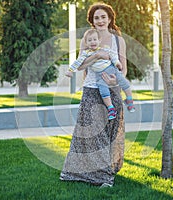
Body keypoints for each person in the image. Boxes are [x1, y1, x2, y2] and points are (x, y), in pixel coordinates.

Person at [60, 2, 127, 187]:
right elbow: (80, 65)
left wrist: (116, 81)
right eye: (96, 17)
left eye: (103, 17)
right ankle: (100, 177)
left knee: (109, 132)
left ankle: (106, 169)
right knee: (91, 132)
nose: (100, 20)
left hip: (112, 91)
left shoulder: (118, 40)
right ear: (92, 20)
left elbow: (124, 68)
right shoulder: (87, 39)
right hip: (91, 90)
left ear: (110, 18)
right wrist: (97, 56)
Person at [65, 28, 135, 120]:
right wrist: (70, 70)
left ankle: (129, 99)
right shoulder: (86, 54)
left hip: (111, 69)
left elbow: (113, 55)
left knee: (124, 81)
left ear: (99, 40)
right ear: (86, 43)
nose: (92, 42)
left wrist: (117, 63)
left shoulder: (104, 49)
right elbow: (78, 63)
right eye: (89, 40)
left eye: (95, 39)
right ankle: (110, 108)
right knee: (103, 91)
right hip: (100, 74)